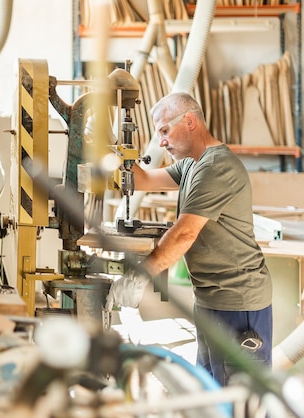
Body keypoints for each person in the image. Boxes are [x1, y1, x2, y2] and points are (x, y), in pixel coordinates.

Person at [105, 92, 272, 386]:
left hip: (236, 303)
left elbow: (184, 233)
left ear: (190, 121)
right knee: (209, 390)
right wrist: (114, 155)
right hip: (211, 299)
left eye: (164, 131)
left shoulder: (215, 167)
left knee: (238, 398)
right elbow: (142, 180)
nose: (161, 142)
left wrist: (138, 277)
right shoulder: (192, 164)